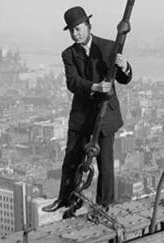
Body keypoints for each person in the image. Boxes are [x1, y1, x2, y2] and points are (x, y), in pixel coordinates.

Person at [42, 6, 132, 215]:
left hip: (105, 114)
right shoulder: (69, 54)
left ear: (88, 26)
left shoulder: (108, 47)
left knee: (106, 162)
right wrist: (95, 87)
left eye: (79, 29)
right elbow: (72, 82)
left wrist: (125, 66)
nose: (76, 34)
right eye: (72, 30)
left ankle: (104, 203)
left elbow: (124, 78)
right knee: (72, 158)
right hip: (82, 116)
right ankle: (65, 198)